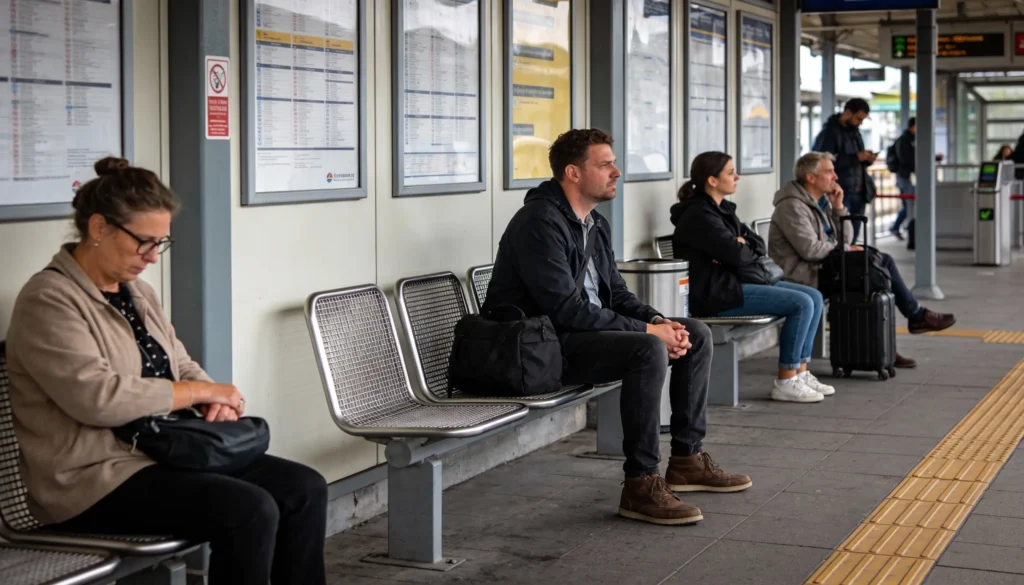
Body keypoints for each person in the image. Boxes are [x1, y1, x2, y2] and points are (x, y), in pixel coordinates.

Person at [5, 157, 328, 585]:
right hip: (91, 479)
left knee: (303, 488)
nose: (153, 257)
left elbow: (180, 363)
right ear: (98, 228)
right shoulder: (49, 300)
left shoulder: (137, 292)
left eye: (161, 243)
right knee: (249, 509)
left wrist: (217, 397)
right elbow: (97, 399)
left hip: (163, 452)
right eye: (144, 242)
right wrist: (197, 394)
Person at [485, 129, 752, 526]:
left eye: (614, 162)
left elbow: (617, 294)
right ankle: (641, 482)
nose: (617, 171)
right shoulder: (539, 223)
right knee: (646, 350)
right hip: (538, 348)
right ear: (573, 173)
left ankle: (687, 458)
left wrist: (659, 321)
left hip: (576, 337)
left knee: (693, 332)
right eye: (605, 164)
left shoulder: (594, 223)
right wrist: (648, 334)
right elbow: (565, 310)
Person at [768, 152, 957, 370]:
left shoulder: (819, 202)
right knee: (870, 275)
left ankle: (887, 343)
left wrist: (838, 208)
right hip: (803, 275)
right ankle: (900, 331)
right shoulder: (792, 206)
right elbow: (810, 250)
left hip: (822, 268)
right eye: (829, 171)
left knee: (878, 263)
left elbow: (844, 238)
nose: (835, 176)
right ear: (811, 178)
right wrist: (847, 249)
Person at [671, 152, 834, 404]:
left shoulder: (723, 209)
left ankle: (801, 371)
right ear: (712, 180)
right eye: (730, 172)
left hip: (735, 283)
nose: (737, 177)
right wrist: (737, 248)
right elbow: (738, 255)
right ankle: (786, 379)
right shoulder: (699, 216)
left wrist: (739, 245)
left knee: (813, 295)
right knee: (800, 303)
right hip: (716, 293)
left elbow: (756, 244)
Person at [812, 98, 875, 241]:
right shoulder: (829, 133)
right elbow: (821, 162)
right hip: (839, 191)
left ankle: (852, 262)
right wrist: (856, 157)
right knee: (840, 236)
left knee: (854, 235)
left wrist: (866, 159)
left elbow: (857, 160)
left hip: (859, 191)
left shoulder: (855, 132)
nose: (860, 122)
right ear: (847, 113)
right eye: (858, 118)